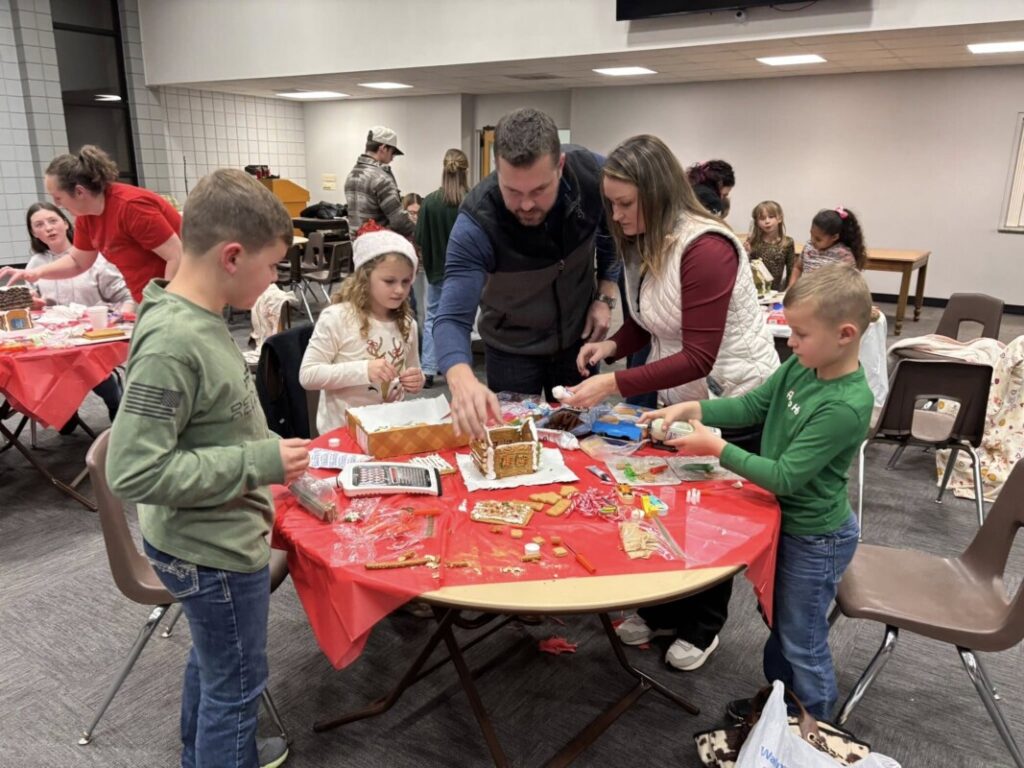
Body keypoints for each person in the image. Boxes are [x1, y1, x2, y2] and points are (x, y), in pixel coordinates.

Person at [106, 168, 307, 768]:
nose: (274, 281)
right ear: (232, 255)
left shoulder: (202, 314)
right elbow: (134, 472)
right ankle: (227, 751)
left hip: (213, 533)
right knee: (239, 682)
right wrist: (259, 459)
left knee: (218, 662)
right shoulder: (173, 341)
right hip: (211, 548)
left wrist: (268, 448)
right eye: (272, 267)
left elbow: (218, 418)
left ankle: (211, 752)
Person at [563, 135, 778, 672]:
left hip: (735, 399)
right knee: (667, 505)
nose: (616, 214)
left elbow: (700, 354)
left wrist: (615, 384)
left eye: (625, 203)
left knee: (709, 517)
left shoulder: (707, 247)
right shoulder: (644, 239)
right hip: (682, 397)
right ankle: (663, 609)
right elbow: (649, 320)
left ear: (657, 194)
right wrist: (613, 345)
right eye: (610, 203)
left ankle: (702, 627)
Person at [643, 264, 874, 720]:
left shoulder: (845, 404)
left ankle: (816, 732)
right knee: (780, 624)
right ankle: (782, 705)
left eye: (801, 334)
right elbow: (753, 404)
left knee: (801, 640)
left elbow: (785, 476)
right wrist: (697, 406)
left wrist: (717, 447)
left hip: (814, 537)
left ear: (845, 334)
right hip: (783, 522)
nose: (791, 342)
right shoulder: (805, 366)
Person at [432, 108, 620, 437]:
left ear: (560, 165)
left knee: (584, 440)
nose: (527, 205)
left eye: (538, 190)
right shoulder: (477, 222)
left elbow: (613, 231)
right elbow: (450, 318)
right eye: (513, 192)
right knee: (517, 445)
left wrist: (605, 294)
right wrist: (461, 378)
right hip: (512, 352)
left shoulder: (593, 175)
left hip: (578, 344)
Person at [0, 145, 182, 302]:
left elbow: (177, 255)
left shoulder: (131, 207)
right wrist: (37, 273)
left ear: (79, 192)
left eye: (58, 197)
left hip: (183, 297)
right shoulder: (86, 217)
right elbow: (78, 262)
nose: (57, 205)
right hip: (149, 299)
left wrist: (166, 304)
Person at [299, 229, 424, 435]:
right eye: (389, 281)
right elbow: (308, 375)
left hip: (390, 428)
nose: (400, 290)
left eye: (406, 281)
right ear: (365, 279)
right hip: (344, 431)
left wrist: (416, 380)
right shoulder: (337, 318)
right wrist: (364, 371)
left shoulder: (407, 324)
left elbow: (411, 369)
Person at [24, 202, 130, 429]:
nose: (49, 228)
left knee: (86, 366)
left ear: (65, 222)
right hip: (55, 339)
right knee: (39, 366)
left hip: (93, 337)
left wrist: (119, 317)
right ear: (34, 233)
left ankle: (113, 400)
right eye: (40, 225)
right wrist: (33, 303)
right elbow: (34, 303)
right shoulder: (36, 263)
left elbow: (124, 296)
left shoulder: (93, 258)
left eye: (53, 221)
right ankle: (65, 410)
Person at [415, 148, 469, 389]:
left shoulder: (429, 202)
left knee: (432, 318)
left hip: (435, 270)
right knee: (460, 321)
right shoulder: (471, 200)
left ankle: (427, 369)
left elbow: (420, 238)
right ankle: (457, 369)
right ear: (465, 172)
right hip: (465, 273)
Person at [343, 126, 415, 238]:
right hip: (379, 246)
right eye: (392, 152)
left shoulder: (351, 175)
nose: (393, 157)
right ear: (383, 148)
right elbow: (398, 221)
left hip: (357, 246)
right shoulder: (381, 178)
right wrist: (420, 232)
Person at [789, 206, 867, 286]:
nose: (813, 241)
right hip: (804, 294)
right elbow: (797, 268)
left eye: (818, 239)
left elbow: (851, 283)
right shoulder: (809, 247)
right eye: (811, 234)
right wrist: (790, 288)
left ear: (834, 237)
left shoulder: (844, 255)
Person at [745, 200, 796, 291]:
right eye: (762, 218)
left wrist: (788, 291)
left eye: (771, 217)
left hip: (776, 293)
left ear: (779, 218)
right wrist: (747, 253)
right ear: (756, 222)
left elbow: (791, 270)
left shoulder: (788, 242)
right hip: (755, 291)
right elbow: (747, 268)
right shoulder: (753, 241)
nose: (767, 221)